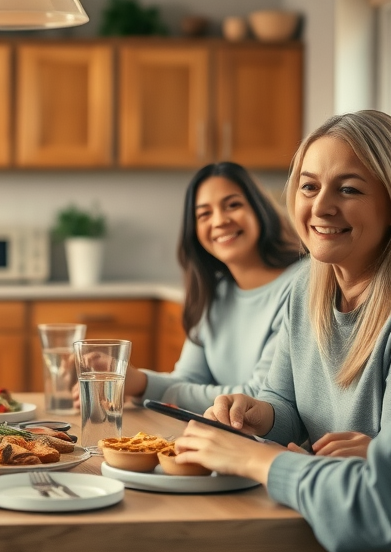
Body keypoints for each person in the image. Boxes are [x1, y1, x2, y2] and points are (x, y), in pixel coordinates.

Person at [176, 81, 391, 552]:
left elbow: (380, 498)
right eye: (309, 186)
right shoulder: (307, 285)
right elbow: (298, 410)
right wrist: (263, 418)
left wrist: (253, 460)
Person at [192, 110, 391, 459]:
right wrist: (257, 414)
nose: (320, 207)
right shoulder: (305, 282)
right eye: (309, 187)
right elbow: (285, 403)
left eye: (348, 189)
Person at [120, 162, 304, 413]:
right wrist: (136, 382)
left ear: (259, 209)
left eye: (233, 205)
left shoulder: (300, 283)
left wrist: (164, 393)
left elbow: (258, 398)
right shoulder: (214, 292)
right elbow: (188, 378)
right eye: (204, 214)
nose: (220, 221)